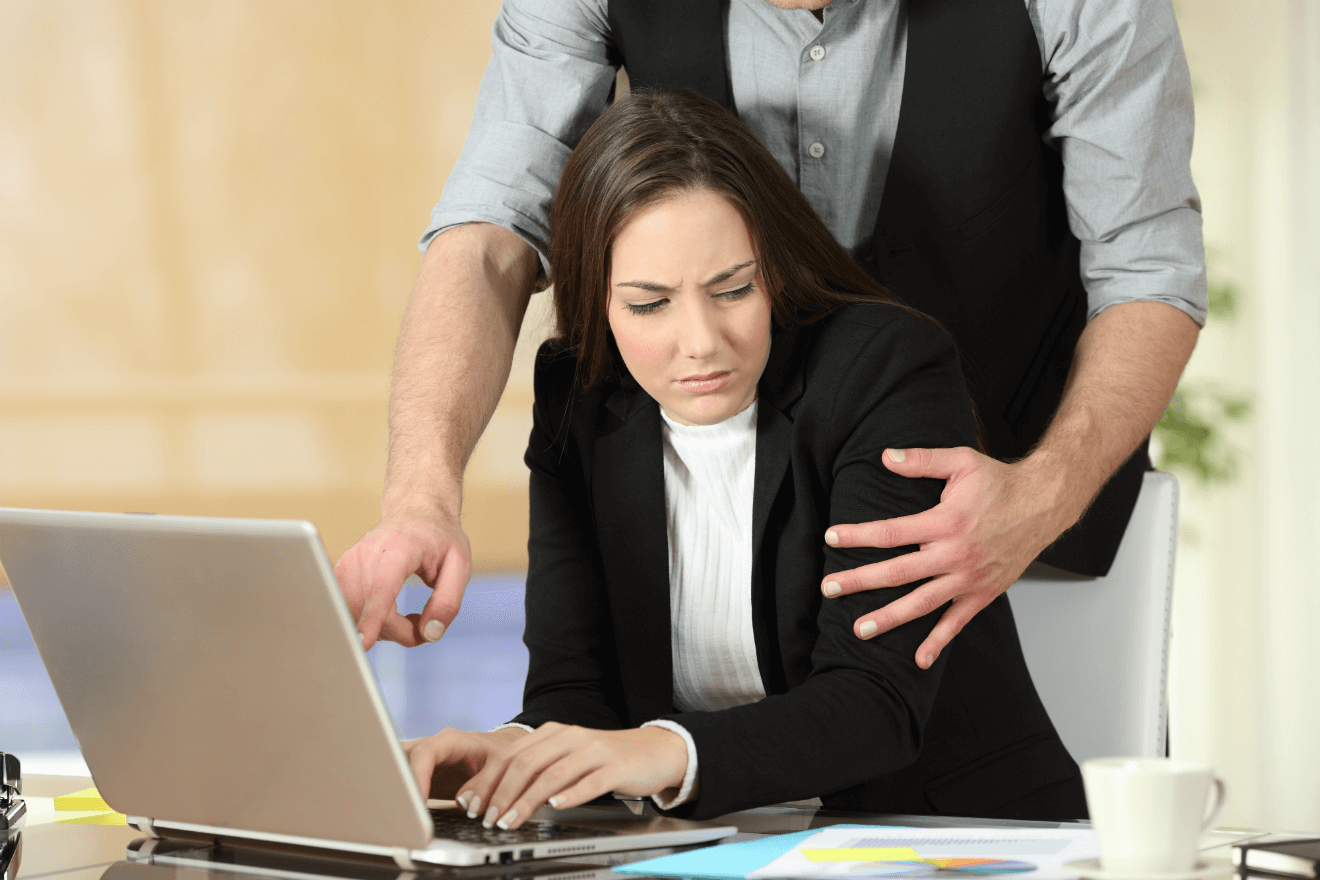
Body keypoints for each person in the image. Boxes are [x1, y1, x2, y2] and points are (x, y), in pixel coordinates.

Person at [335, 0, 1204, 670]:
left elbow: (1146, 269)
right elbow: (489, 237)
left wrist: (1041, 496)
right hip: (717, 533)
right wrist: (421, 497)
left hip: (1003, 512)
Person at [401, 89, 1085, 828]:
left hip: (952, 832)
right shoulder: (578, 394)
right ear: (597, 299)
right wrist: (514, 752)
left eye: (732, 289)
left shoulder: (885, 371)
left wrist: (664, 751)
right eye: (648, 304)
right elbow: (575, 689)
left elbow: (874, 702)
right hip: (716, 840)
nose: (700, 341)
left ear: (773, 267)